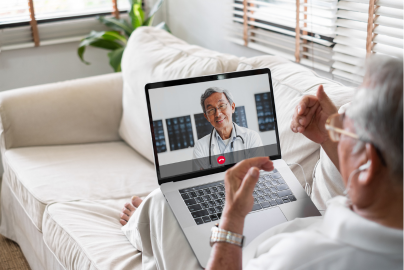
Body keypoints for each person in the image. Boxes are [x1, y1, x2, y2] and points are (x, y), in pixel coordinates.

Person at [119, 56, 403, 270]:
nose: (217, 114)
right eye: (210, 110)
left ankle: (140, 225)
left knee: (160, 205)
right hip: (296, 222)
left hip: (243, 247)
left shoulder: (302, 259)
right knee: (165, 205)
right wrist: (331, 140)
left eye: (343, 130)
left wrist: (231, 218)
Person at [192, 87, 263, 167]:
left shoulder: (252, 137)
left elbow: (258, 172)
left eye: (222, 106)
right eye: (211, 110)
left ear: (232, 107)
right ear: (206, 117)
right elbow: (202, 179)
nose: (218, 114)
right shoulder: (200, 147)